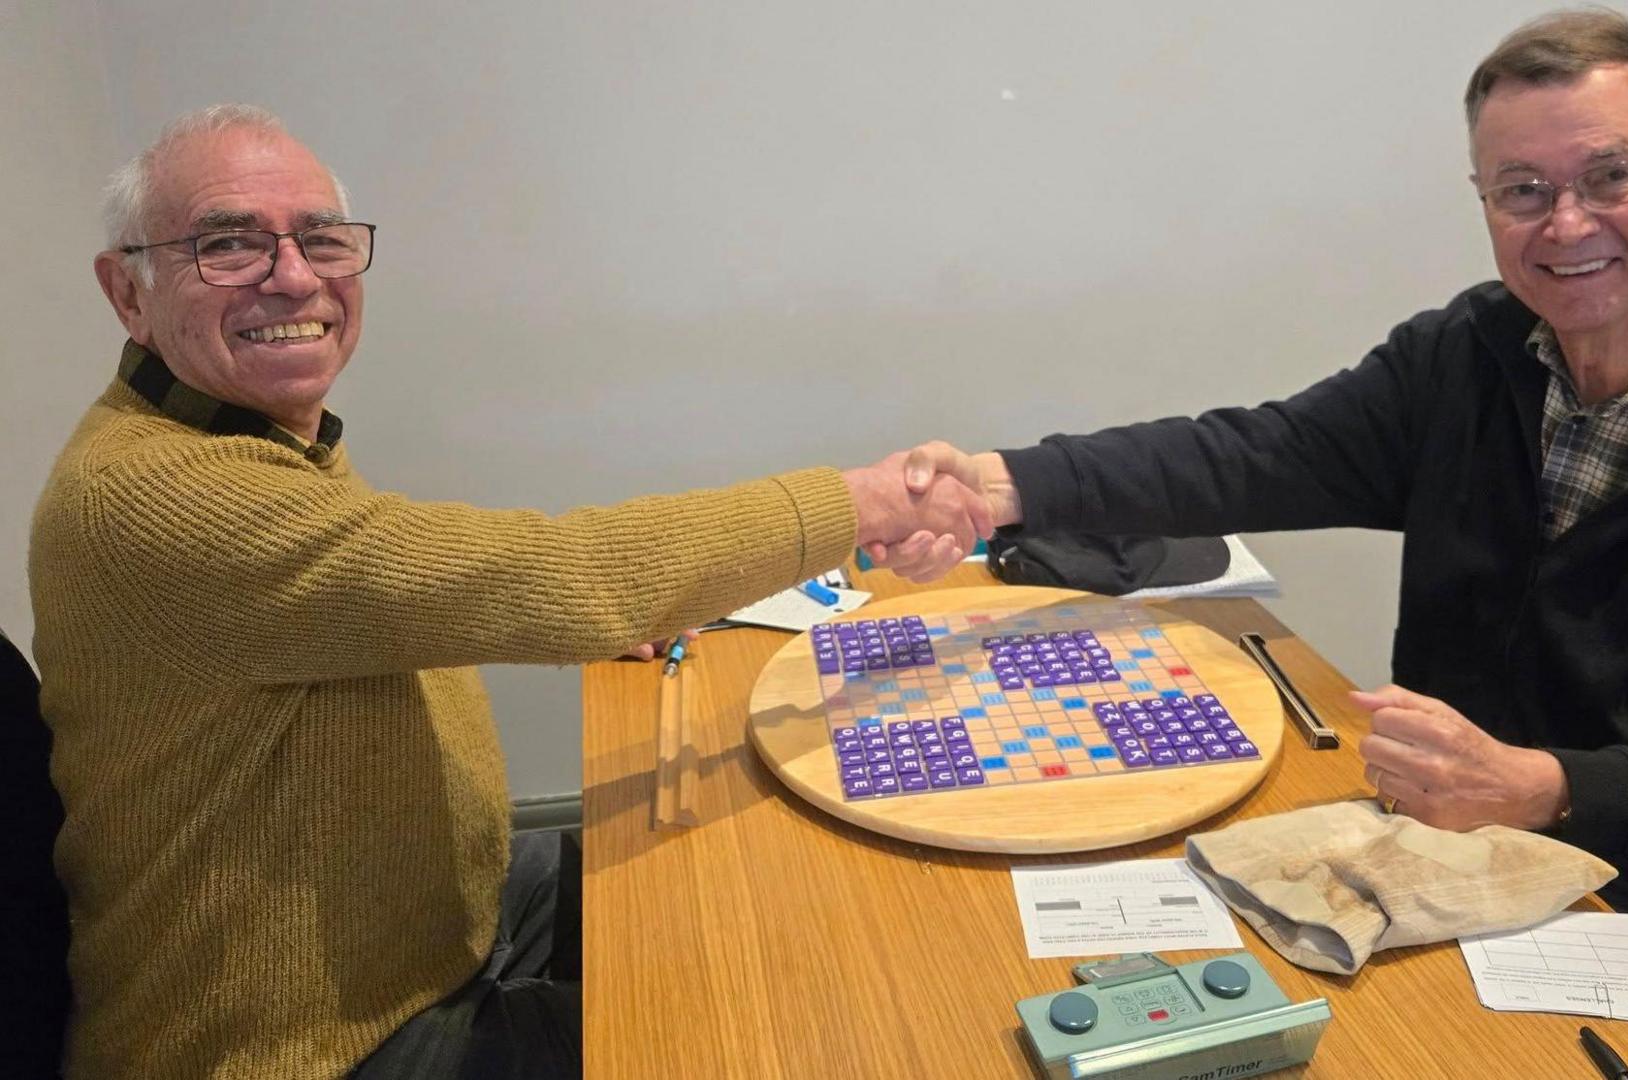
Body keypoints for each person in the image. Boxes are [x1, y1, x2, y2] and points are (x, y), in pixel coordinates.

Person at [891, 9, 1628, 1059]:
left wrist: (1542, 786)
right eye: (1523, 190)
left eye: (1611, 175)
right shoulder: (1470, 357)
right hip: (1438, 848)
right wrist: (1003, 485)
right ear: (1484, 201)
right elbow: (1248, 454)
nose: (1566, 225)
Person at [29, 105, 985, 1080]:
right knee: (777, 1026)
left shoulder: (244, 430)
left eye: (321, 238)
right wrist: (859, 504)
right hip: (306, 1044)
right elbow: (539, 575)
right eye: (227, 244)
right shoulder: (151, 493)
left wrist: (600, 609)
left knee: (752, 885)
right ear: (127, 292)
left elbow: (406, 597)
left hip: (436, 919)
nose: (295, 274)